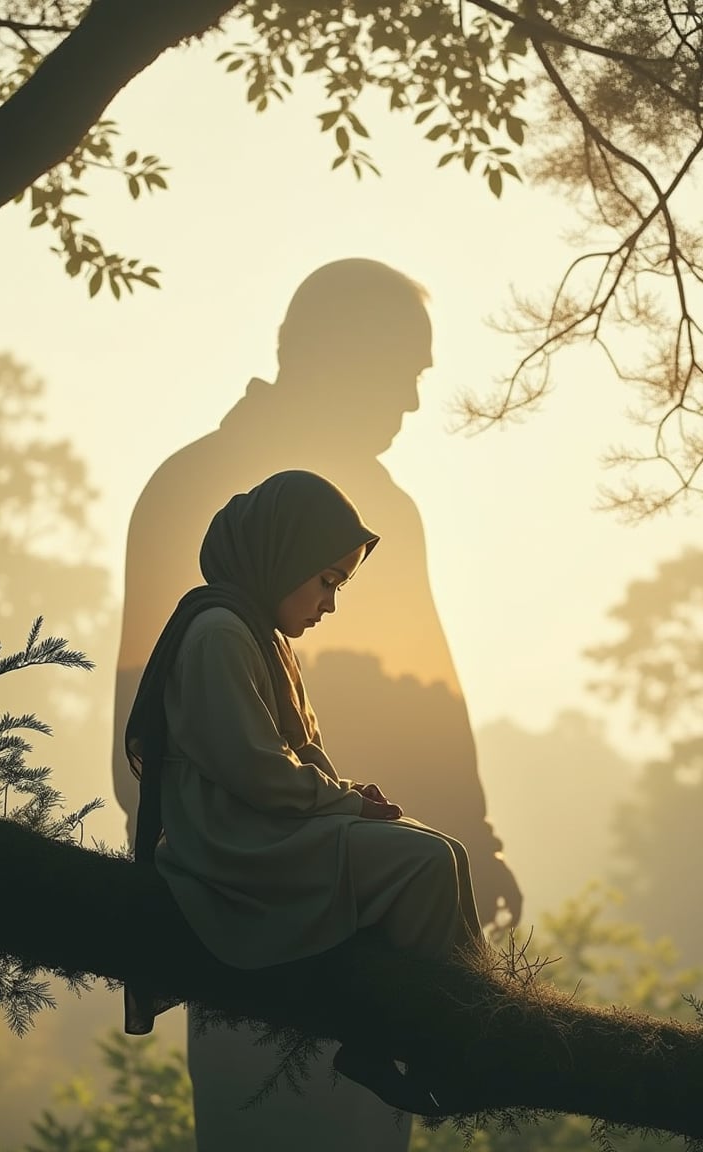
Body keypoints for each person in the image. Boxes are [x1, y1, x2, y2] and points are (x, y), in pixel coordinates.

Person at [113, 258, 521, 1148]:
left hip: (376, 880)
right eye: (405, 371)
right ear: (339, 354)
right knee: (267, 1116)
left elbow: (429, 698)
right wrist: (237, 863)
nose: (413, 403)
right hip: (258, 879)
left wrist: (470, 843)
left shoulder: (381, 511)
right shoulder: (196, 489)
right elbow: (147, 726)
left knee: (372, 1122)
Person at [124, 470, 484, 1131]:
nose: (330, 603)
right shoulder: (220, 634)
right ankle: (448, 1041)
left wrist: (346, 795)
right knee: (426, 863)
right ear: (281, 559)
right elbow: (258, 771)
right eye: (326, 581)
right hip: (237, 852)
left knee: (446, 852)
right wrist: (344, 805)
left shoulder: (258, 634)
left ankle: (444, 1034)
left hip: (272, 833)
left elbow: (293, 762)